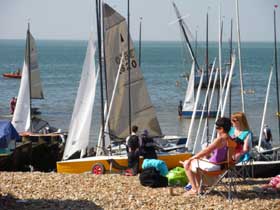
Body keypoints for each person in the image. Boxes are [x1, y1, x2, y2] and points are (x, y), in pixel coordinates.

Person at [183, 117, 232, 196]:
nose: (216, 130)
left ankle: (194, 189)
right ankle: (199, 188)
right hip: (223, 166)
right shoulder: (231, 139)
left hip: (214, 166)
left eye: (217, 128)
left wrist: (191, 157)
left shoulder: (220, 139)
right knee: (197, 162)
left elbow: (206, 150)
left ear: (221, 129)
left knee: (187, 163)